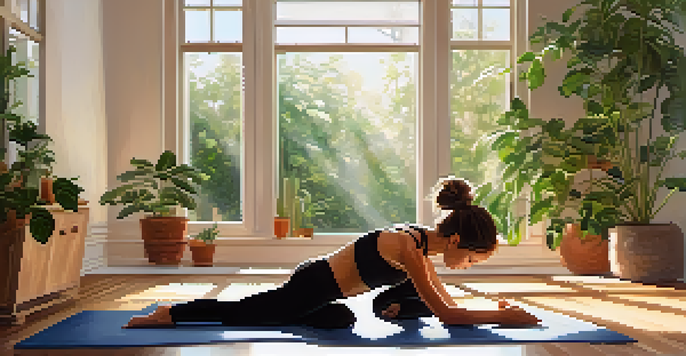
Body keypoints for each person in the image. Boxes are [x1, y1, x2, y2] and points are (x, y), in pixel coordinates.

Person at [124, 178, 541, 329]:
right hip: (312, 283)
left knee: (341, 319)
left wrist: (493, 311)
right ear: (454, 241)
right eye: (471, 259)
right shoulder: (408, 247)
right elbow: (449, 314)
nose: (466, 267)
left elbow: (445, 301)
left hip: (332, 295)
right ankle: (170, 313)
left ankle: (382, 306)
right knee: (247, 312)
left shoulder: (423, 252)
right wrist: (502, 317)